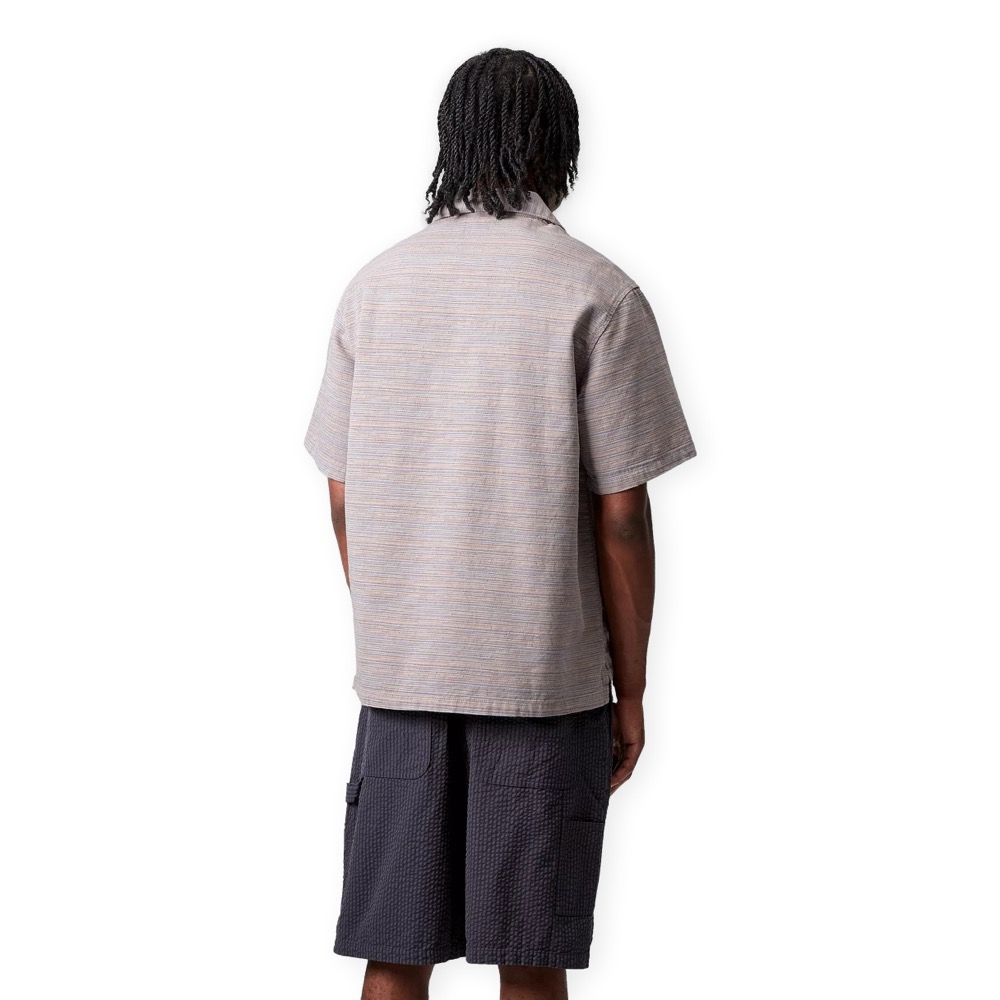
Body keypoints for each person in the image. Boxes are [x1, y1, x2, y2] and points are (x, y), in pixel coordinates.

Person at [304, 47, 697, 1000]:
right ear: (562, 146)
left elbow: (344, 492)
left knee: (394, 957)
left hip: (403, 679)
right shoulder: (596, 291)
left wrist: (403, 617)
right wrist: (632, 688)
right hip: (545, 681)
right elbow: (622, 515)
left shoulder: (376, 287)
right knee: (530, 961)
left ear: (453, 139)